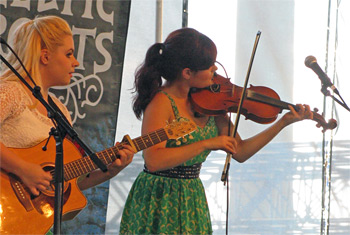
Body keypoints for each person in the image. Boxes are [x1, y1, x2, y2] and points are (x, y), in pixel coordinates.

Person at [119, 27, 313, 234]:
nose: (216, 70)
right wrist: (205, 143)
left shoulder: (211, 103)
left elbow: (241, 151)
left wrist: (282, 122)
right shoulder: (162, 102)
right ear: (187, 73)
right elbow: (154, 160)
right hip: (159, 196)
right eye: (209, 66)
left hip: (191, 196)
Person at [0, 15, 135, 214]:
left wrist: (111, 171)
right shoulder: (9, 92)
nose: (76, 62)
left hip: (27, 219)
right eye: (69, 54)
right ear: (45, 56)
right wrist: (22, 169)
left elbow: (67, 182)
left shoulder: (59, 111)